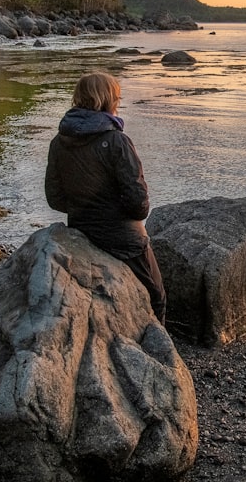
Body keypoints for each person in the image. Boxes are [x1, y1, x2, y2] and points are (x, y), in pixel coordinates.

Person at [44, 71, 166, 323]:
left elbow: (54, 198)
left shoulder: (59, 141)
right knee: (156, 296)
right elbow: (138, 204)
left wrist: (84, 210)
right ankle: (157, 349)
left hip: (81, 232)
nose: (118, 103)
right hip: (123, 239)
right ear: (108, 100)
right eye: (117, 98)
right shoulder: (116, 141)